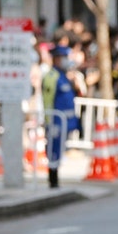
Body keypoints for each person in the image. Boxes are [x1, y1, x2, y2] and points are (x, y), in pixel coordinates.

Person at [41, 46, 80, 188]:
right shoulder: (52, 77)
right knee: (53, 151)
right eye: (64, 58)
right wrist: (49, 121)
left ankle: (55, 180)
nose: (66, 61)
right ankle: (53, 180)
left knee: (59, 151)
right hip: (55, 122)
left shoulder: (64, 76)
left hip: (65, 122)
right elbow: (48, 101)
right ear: (57, 59)